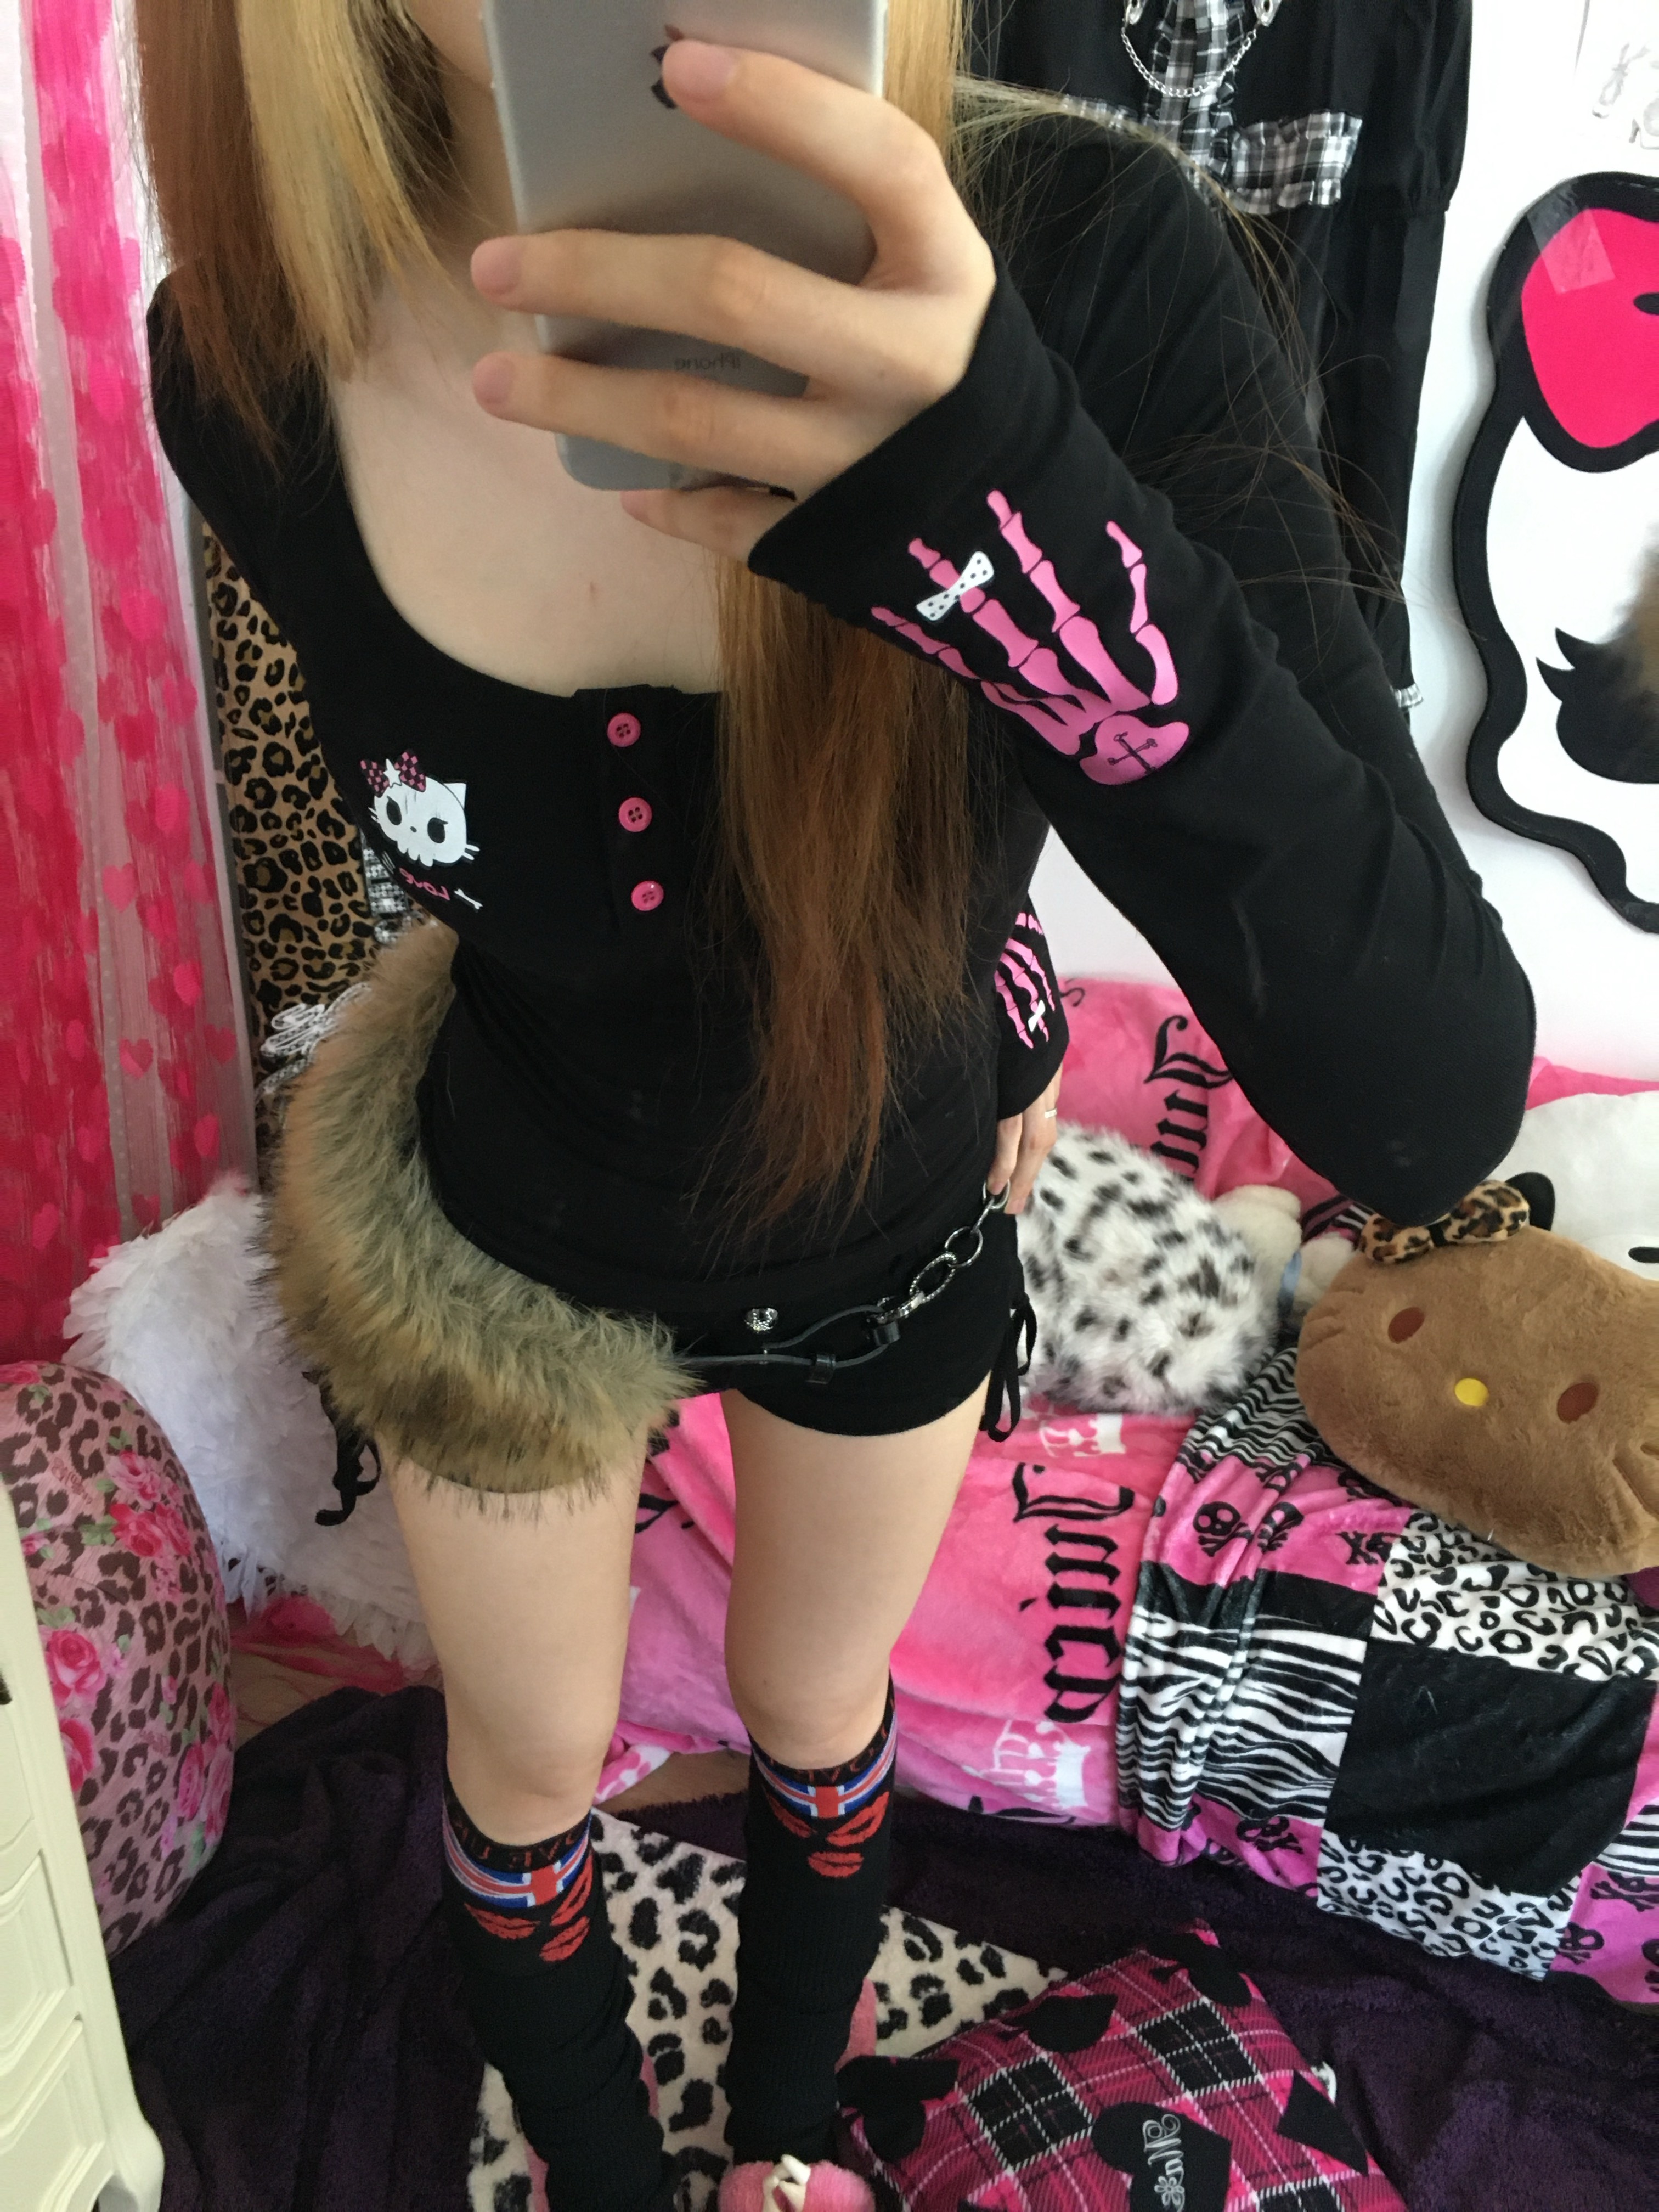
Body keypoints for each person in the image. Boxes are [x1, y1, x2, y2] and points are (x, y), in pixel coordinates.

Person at [136, 2, 1534, 2205]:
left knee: (816, 1712)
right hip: (498, 1237)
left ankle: (787, 2143)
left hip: (882, 1215)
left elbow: (1428, 1094)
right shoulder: (247, 352)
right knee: (526, 1761)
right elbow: (465, 874)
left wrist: (1004, 506)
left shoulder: (1086, 255)